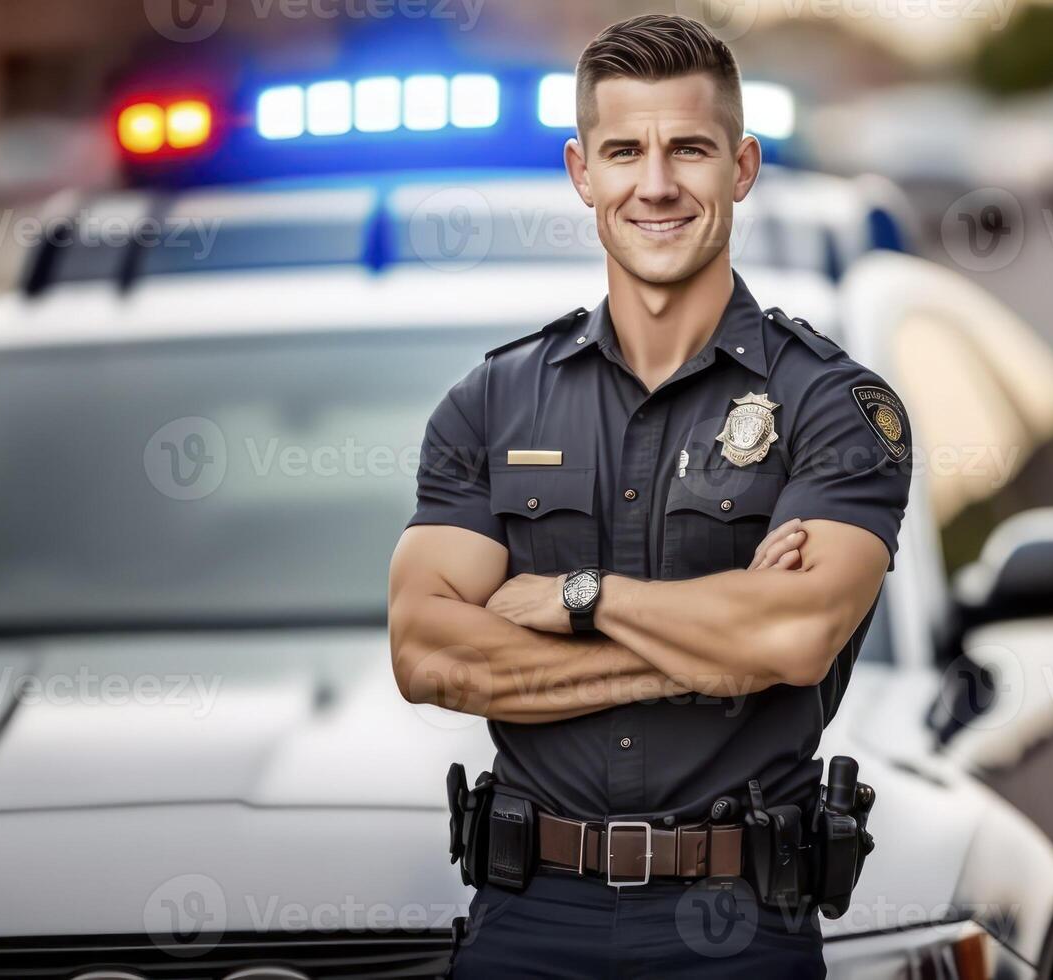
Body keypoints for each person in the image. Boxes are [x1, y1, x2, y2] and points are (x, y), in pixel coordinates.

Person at [387, 14, 912, 977]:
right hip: (527, 921)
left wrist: (578, 600)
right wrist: (718, 649)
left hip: (737, 928)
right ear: (582, 171)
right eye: (624, 150)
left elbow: (792, 638)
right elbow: (427, 656)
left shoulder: (832, 406)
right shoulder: (490, 401)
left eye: (690, 150)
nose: (656, 184)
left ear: (741, 167)